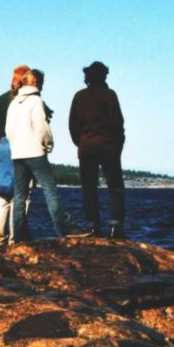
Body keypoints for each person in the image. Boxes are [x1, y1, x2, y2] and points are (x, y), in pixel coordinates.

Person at [5, 66, 82, 242]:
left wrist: (16, 145)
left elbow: (8, 130)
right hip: (35, 152)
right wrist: (48, 145)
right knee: (50, 191)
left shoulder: (14, 103)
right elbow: (41, 128)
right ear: (39, 83)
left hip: (18, 153)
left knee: (19, 196)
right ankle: (66, 229)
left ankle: (19, 234)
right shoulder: (36, 101)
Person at [69, 61, 126, 239]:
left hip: (87, 146)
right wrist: (118, 145)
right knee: (115, 187)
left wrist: (81, 143)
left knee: (89, 187)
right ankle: (115, 227)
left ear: (87, 77)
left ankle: (93, 226)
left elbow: (73, 125)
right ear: (104, 76)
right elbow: (118, 124)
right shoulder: (110, 95)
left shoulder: (79, 96)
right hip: (109, 146)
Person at [0, 66, 32, 247]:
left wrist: (1, 146)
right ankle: (15, 239)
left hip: (5, 146)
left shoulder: (0, 100)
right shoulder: (28, 100)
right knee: (23, 194)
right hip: (25, 147)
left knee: (2, 195)